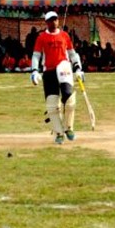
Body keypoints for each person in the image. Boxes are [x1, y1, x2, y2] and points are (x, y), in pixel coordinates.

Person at [30, 11, 84, 145]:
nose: (53, 22)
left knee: (69, 98)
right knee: (52, 104)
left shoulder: (64, 35)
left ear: (58, 21)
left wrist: (78, 68)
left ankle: (69, 128)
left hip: (64, 68)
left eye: (55, 20)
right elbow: (36, 55)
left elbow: (72, 54)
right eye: (50, 20)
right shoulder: (41, 37)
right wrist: (35, 71)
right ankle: (59, 132)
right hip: (49, 72)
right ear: (46, 22)